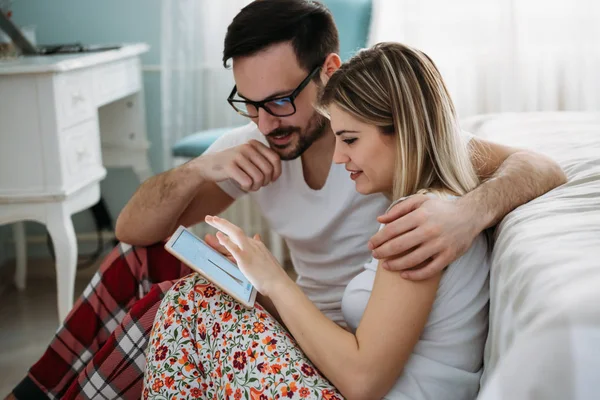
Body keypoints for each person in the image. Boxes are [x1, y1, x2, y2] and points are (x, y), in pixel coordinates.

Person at [7, 1, 566, 399]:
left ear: (329, 71)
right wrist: (204, 168)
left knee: (186, 310)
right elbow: (132, 227)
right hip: (318, 331)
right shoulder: (258, 146)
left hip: (348, 355)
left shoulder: (414, 190)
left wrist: (468, 213)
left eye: (278, 100)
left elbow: (541, 165)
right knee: (152, 265)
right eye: (246, 104)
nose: (262, 122)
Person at [143, 41, 491, 400]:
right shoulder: (430, 206)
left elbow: (362, 382)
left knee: (192, 302)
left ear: (403, 128)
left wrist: (276, 279)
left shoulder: (420, 222)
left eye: (351, 139)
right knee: (201, 298)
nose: (339, 156)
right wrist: (258, 282)